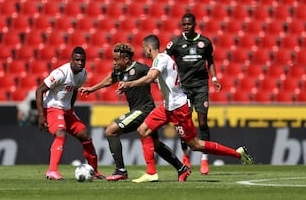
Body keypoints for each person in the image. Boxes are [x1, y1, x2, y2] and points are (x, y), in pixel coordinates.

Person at [117, 35, 253, 183]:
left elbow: (150, 77)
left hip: (179, 108)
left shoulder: (160, 59)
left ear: (149, 48)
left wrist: (130, 84)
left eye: (144, 49)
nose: (144, 52)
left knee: (195, 144)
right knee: (143, 130)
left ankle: (237, 154)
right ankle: (151, 172)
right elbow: (160, 79)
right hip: (168, 107)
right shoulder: (164, 59)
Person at [79, 43, 190, 182]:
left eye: (116, 59)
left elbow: (156, 76)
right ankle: (181, 168)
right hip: (138, 110)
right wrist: (92, 89)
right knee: (155, 144)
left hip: (144, 109)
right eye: (113, 59)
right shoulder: (119, 71)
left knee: (110, 131)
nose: (114, 62)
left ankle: (121, 170)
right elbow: (110, 79)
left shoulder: (140, 68)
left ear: (126, 60)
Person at [165, 12, 222, 175]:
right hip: (183, 89)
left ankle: (204, 159)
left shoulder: (205, 42)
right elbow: (164, 58)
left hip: (201, 87)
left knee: (203, 123)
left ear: (195, 24)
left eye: (189, 24)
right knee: (185, 124)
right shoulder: (176, 43)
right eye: (184, 24)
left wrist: (215, 78)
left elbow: (210, 61)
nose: (186, 27)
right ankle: (186, 157)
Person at [35, 46, 105, 180]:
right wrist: (41, 116)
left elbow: (73, 92)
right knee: (60, 133)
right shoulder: (60, 73)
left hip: (67, 111)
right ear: (71, 60)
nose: (80, 63)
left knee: (85, 136)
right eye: (77, 60)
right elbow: (39, 91)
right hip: (52, 108)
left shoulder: (83, 74)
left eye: (82, 61)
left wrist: (71, 109)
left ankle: (94, 171)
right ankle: (52, 171)